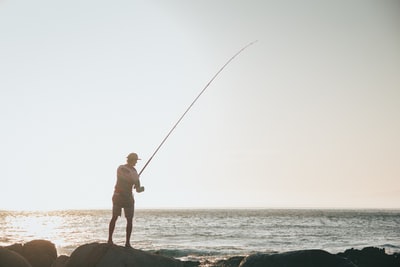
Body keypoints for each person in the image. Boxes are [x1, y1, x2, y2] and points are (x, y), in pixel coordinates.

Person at [108, 152, 144, 248]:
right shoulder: (134, 173)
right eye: (136, 160)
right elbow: (138, 189)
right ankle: (127, 243)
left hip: (117, 196)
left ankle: (110, 239)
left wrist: (134, 181)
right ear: (132, 160)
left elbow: (124, 179)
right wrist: (141, 188)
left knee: (114, 217)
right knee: (129, 220)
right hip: (126, 198)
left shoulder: (120, 168)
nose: (136, 162)